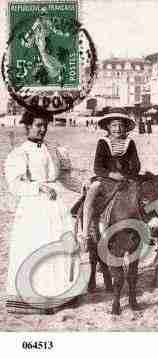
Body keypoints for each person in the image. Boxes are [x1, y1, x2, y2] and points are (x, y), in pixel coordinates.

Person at [4, 110, 78, 314]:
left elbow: (63, 177)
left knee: (58, 247)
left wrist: (82, 187)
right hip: (33, 209)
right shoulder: (20, 153)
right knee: (37, 248)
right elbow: (15, 184)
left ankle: (59, 295)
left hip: (56, 207)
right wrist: (39, 187)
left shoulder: (54, 150)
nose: (42, 129)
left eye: (45, 125)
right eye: (38, 125)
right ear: (27, 127)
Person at [77, 109, 140, 244]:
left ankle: (146, 229)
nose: (117, 129)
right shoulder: (103, 142)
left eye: (120, 125)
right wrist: (111, 174)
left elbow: (136, 165)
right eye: (114, 125)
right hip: (106, 179)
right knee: (92, 191)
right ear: (108, 127)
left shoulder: (130, 142)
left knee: (145, 193)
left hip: (126, 179)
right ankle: (86, 232)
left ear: (125, 127)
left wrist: (125, 176)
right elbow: (97, 167)